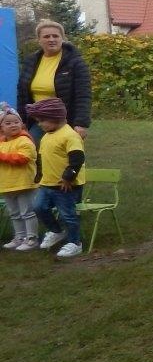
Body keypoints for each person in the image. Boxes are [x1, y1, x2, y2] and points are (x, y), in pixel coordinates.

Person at [28, 97, 86, 259]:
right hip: (47, 184)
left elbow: (77, 159)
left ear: (56, 117)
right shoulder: (47, 136)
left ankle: (75, 243)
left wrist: (68, 178)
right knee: (39, 207)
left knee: (68, 214)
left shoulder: (70, 135)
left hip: (65, 185)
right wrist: (39, 176)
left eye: (42, 121)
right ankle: (56, 231)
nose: (40, 124)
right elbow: (42, 158)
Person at [18, 20, 92, 142]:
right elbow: (22, 94)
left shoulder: (75, 62)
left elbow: (83, 95)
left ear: (62, 38)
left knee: (60, 153)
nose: (51, 39)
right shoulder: (30, 61)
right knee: (30, 149)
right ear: (39, 40)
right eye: (46, 36)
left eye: (55, 36)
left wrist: (81, 124)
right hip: (37, 121)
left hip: (65, 121)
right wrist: (22, 120)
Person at [0, 108, 39, 251]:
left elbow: (22, 158)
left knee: (27, 213)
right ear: (1, 128)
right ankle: (20, 237)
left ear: (22, 124)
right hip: (7, 184)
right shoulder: (2, 143)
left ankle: (32, 238)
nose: (13, 125)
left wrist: (1, 156)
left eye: (16, 122)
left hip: (24, 184)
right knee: (14, 213)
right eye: (8, 123)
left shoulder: (25, 140)